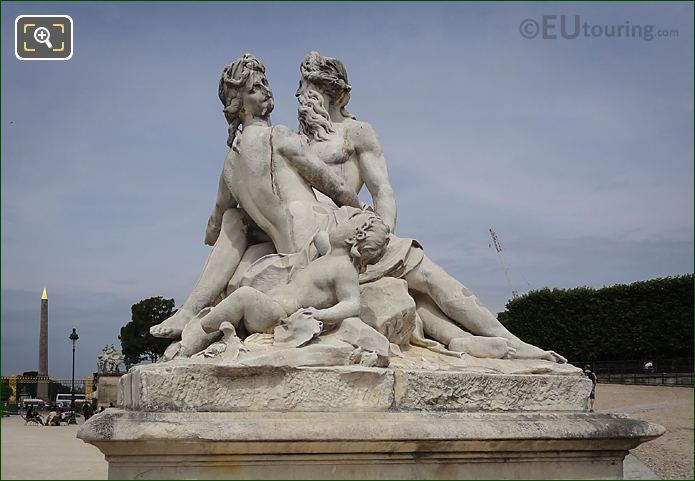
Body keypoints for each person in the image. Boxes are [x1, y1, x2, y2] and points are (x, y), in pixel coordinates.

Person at [150, 53, 361, 340]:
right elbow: (332, 186)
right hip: (314, 239)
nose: (266, 90)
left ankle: (190, 309)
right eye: (254, 88)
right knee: (235, 219)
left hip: (283, 249)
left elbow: (212, 227)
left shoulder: (230, 165)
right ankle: (192, 311)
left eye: (264, 83)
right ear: (239, 106)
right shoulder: (280, 135)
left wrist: (244, 223)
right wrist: (359, 212)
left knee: (232, 218)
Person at [173, 210, 389, 358]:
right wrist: (332, 236)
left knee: (244, 295)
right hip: (272, 305)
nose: (340, 224)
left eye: (347, 223)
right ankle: (207, 334)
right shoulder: (331, 255)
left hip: (278, 314)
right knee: (242, 297)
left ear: (355, 236)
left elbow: (352, 303)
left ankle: (199, 337)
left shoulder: (344, 269)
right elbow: (320, 237)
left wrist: (320, 314)